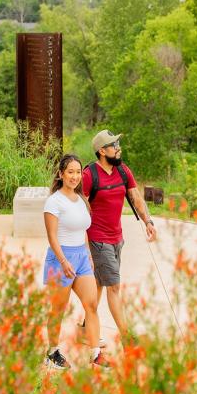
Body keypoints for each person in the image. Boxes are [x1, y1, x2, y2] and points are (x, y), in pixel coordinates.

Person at [78, 130, 156, 349]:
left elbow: (135, 197)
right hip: (98, 239)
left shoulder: (123, 171)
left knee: (99, 285)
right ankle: (126, 337)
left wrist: (148, 221)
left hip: (117, 239)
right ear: (102, 151)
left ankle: (85, 328)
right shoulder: (89, 175)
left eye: (118, 143)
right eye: (114, 145)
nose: (118, 148)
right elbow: (79, 206)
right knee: (113, 286)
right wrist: (82, 242)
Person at [42, 154, 110, 370]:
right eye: (70, 172)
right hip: (61, 259)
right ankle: (52, 353)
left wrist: (88, 253)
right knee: (58, 309)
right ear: (61, 174)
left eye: (78, 172)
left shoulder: (81, 199)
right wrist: (63, 261)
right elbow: (52, 236)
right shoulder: (54, 201)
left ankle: (95, 353)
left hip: (81, 258)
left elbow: (84, 229)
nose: (75, 176)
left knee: (91, 304)